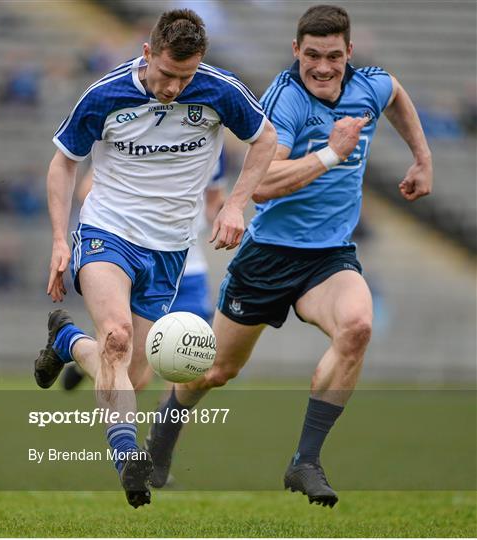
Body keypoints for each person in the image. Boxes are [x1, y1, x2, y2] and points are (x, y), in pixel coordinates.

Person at [145, 4, 433, 507]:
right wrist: (332, 154)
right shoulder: (286, 101)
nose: (323, 67)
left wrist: (422, 158)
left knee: (358, 327)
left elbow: (397, 95)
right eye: (313, 55)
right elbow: (260, 185)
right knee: (214, 371)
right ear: (296, 50)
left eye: (335, 57)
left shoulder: (371, 85)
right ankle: (163, 436)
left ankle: (305, 461)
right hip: (268, 256)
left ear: (351, 54)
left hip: (330, 258)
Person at [34, 8, 276, 509]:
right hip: (108, 232)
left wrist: (235, 203)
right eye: (166, 74)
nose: (173, 87)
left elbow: (265, 139)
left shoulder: (218, 90)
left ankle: (66, 339)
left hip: (169, 249)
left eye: (185, 77)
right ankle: (128, 461)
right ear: (147, 53)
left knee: (132, 369)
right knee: (117, 339)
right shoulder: (106, 94)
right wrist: (61, 239)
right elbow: (63, 163)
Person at [61, 155, 226, 390]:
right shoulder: (140, 134)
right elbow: (86, 189)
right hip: (143, 259)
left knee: (188, 371)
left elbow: (214, 201)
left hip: (189, 270)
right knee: (135, 377)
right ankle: (84, 351)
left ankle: (162, 429)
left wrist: (226, 214)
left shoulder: (211, 139)